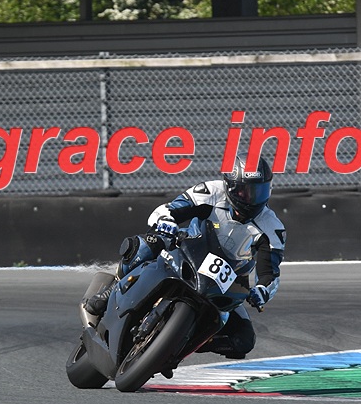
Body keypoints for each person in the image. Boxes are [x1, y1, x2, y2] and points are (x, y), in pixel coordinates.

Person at [85, 154, 285, 360]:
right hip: (189, 249)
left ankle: (178, 345)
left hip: (224, 281)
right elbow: (169, 209)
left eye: (259, 191)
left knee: (243, 340)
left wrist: (262, 290)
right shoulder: (211, 192)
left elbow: (270, 273)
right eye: (245, 191)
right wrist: (167, 220)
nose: (251, 199)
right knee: (146, 245)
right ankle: (112, 290)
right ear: (230, 186)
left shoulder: (272, 227)